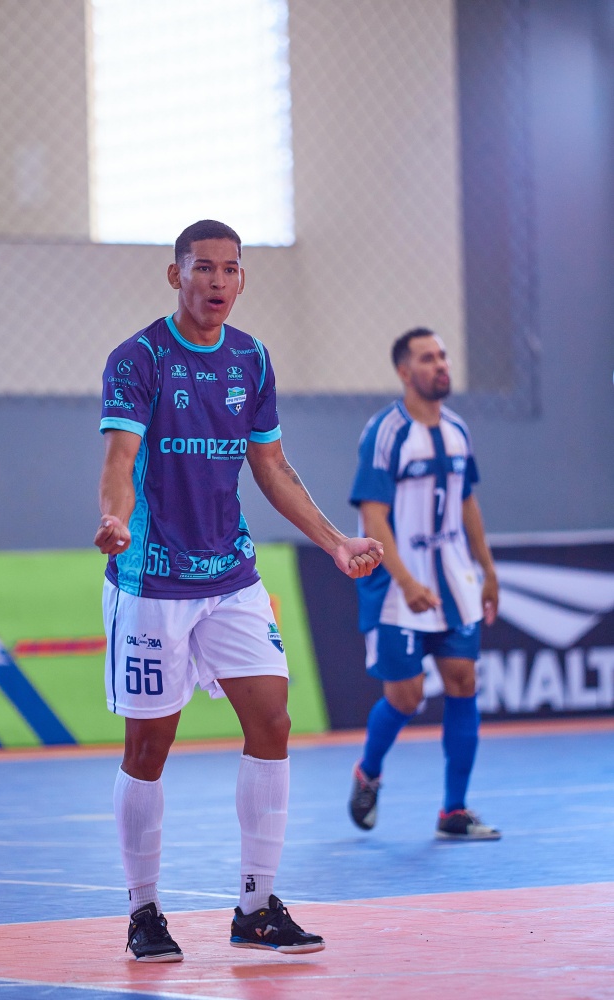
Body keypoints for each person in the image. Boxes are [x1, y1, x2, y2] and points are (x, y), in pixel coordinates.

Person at [94, 219, 383, 962]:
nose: (217, 281)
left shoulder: (250, 358)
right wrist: (114, 519)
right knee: (149, 745)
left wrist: (336, 542)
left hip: (231, 577)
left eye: (230, 269)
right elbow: (121, 456)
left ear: (241, 279)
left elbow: (272, 467)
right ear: (176, 275)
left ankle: (255, 907)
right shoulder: (138, 358)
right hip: (151, 580)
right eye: (203, 268)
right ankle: (144, 911)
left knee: (273, 722)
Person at [347, 327, 501, 841]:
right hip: (398, 588)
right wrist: (407, 581)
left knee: (463, 681)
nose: (441, 365)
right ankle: (368, 772)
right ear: (404, 371)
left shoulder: (457, 430)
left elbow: (466, 502)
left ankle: (453, 811)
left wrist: (487, 570)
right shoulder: (385, 432)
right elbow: (373, 515)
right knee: (407, 696)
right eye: (428, 358)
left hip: (454, 582)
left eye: (442, 356)